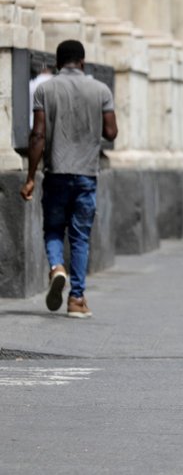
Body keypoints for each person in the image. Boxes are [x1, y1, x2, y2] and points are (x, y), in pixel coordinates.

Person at [20, 40, 118, 318]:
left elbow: (38, 135)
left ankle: (56, 267)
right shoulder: (100, 89)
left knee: (52, 229)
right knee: (79, 237)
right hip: (86, 174)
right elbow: (111, 132)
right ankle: (76, 298)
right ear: (83, 62)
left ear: (58, 62)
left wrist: (30, 177)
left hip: (56, 173)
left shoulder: (45, 89)